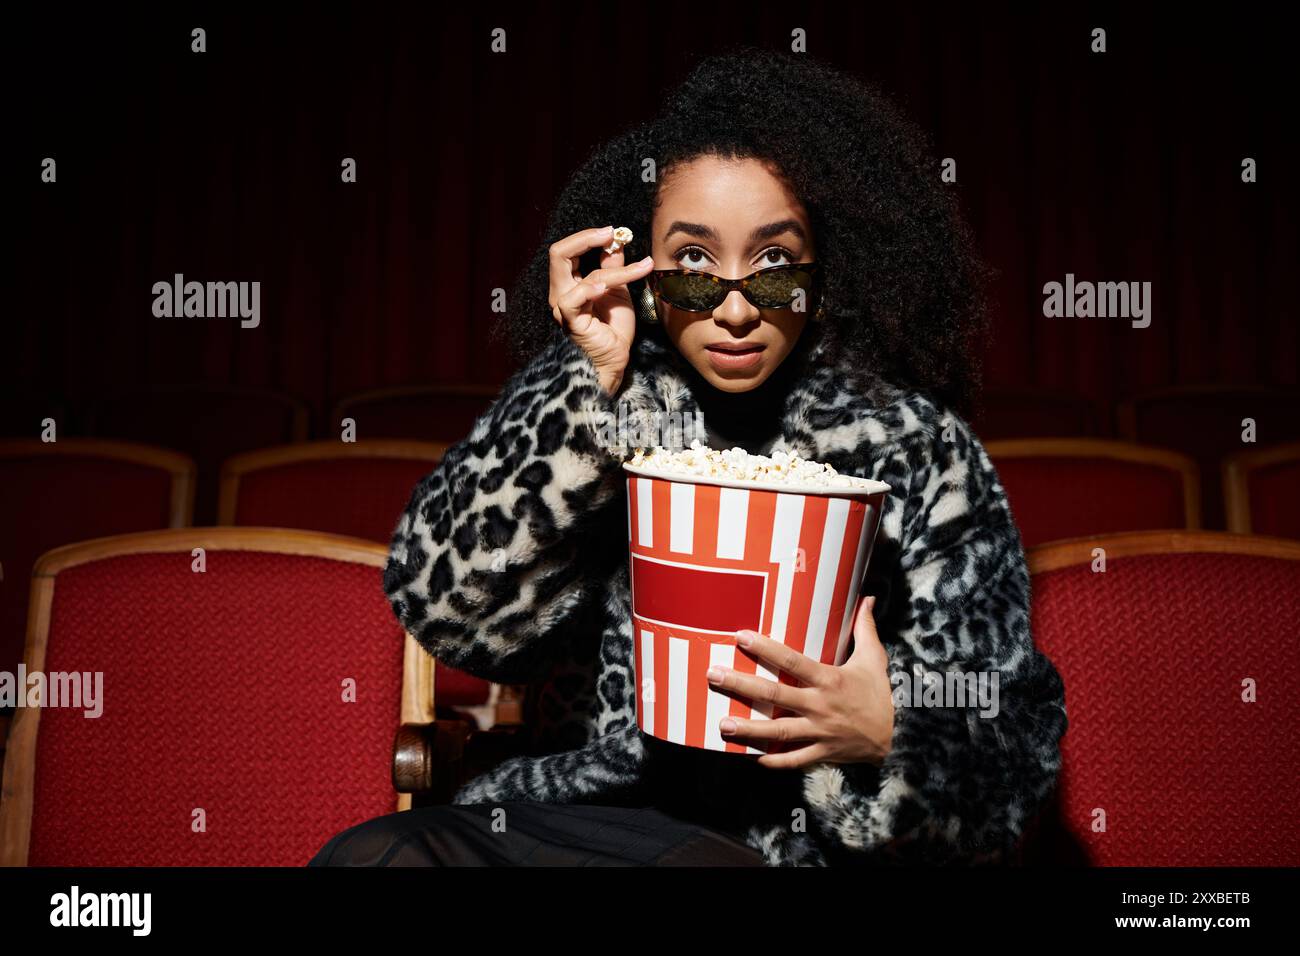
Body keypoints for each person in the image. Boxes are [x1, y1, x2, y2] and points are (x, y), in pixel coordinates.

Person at [309, 45, 1067, 867]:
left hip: (800, 847)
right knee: (378, 855)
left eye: (774, 264)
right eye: (697, 265)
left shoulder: (919, 450)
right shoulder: (613, 410)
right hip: (598, 818)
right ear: (648, 274)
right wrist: (590, 390)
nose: (735, 308)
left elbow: (1010, 744)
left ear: (824, 272)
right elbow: (448, 609)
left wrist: (888, 732)